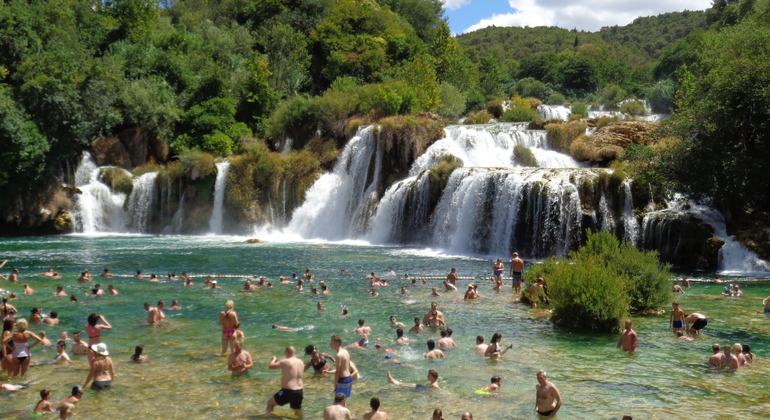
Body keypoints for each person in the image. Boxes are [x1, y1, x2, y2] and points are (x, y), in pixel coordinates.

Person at [267, 346, 305, 417]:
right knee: (296, 411)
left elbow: (270, 366)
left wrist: (273, 359)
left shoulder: (285, 361)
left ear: (287, 353)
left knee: (270, 404)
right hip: (299, 391)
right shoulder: (301, 362)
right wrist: (282, 362)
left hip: (288, 391)